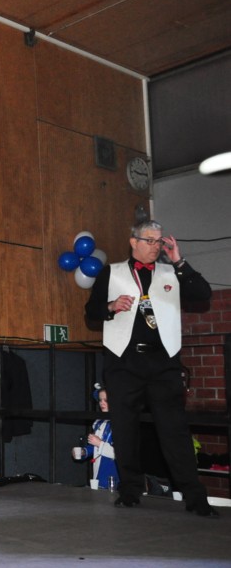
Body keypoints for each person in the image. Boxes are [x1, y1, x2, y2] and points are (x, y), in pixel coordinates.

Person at [84, 220, 217, 517]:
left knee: (175, 430)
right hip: (124, 360)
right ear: (134, 242)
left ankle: (195, 496)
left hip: (163, 361)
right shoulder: (111, 272)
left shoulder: (172, 272)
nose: (156, 246)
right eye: (150, 240)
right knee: (125, 428)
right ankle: (130, 490)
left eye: (159, 241)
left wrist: (179, 260)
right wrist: (110, 306)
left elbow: (203, 293)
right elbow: (90, 311)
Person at [72, 383, 118, 490]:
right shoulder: (99, 422)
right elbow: (94, 447)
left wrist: (99, 443)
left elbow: (122, 454)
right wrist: (83, 452)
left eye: (106, 400)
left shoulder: (121, 423)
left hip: (114, 476)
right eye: (100, 400)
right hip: (98, 475)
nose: (102, 403)